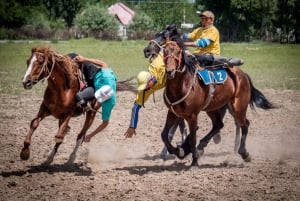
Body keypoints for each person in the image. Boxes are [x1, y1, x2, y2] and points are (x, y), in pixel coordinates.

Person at [68, 53, 117, 142]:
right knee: (74, 56)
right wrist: (84, 59)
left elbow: (105, 123)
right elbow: (103, 63)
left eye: (100, 100)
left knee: (79, 96)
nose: (98, 102)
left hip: (93, 86)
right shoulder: (106, 77)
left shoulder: (110, 103)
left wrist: (91, 135)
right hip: (95, 75)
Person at [123, 50, 166, 138]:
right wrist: (132, 126)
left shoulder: (159, 66)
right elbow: (136, 107)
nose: (144, 88)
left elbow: (164, 52)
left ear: (150, 80)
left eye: (145, 86)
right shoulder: (146, 89)